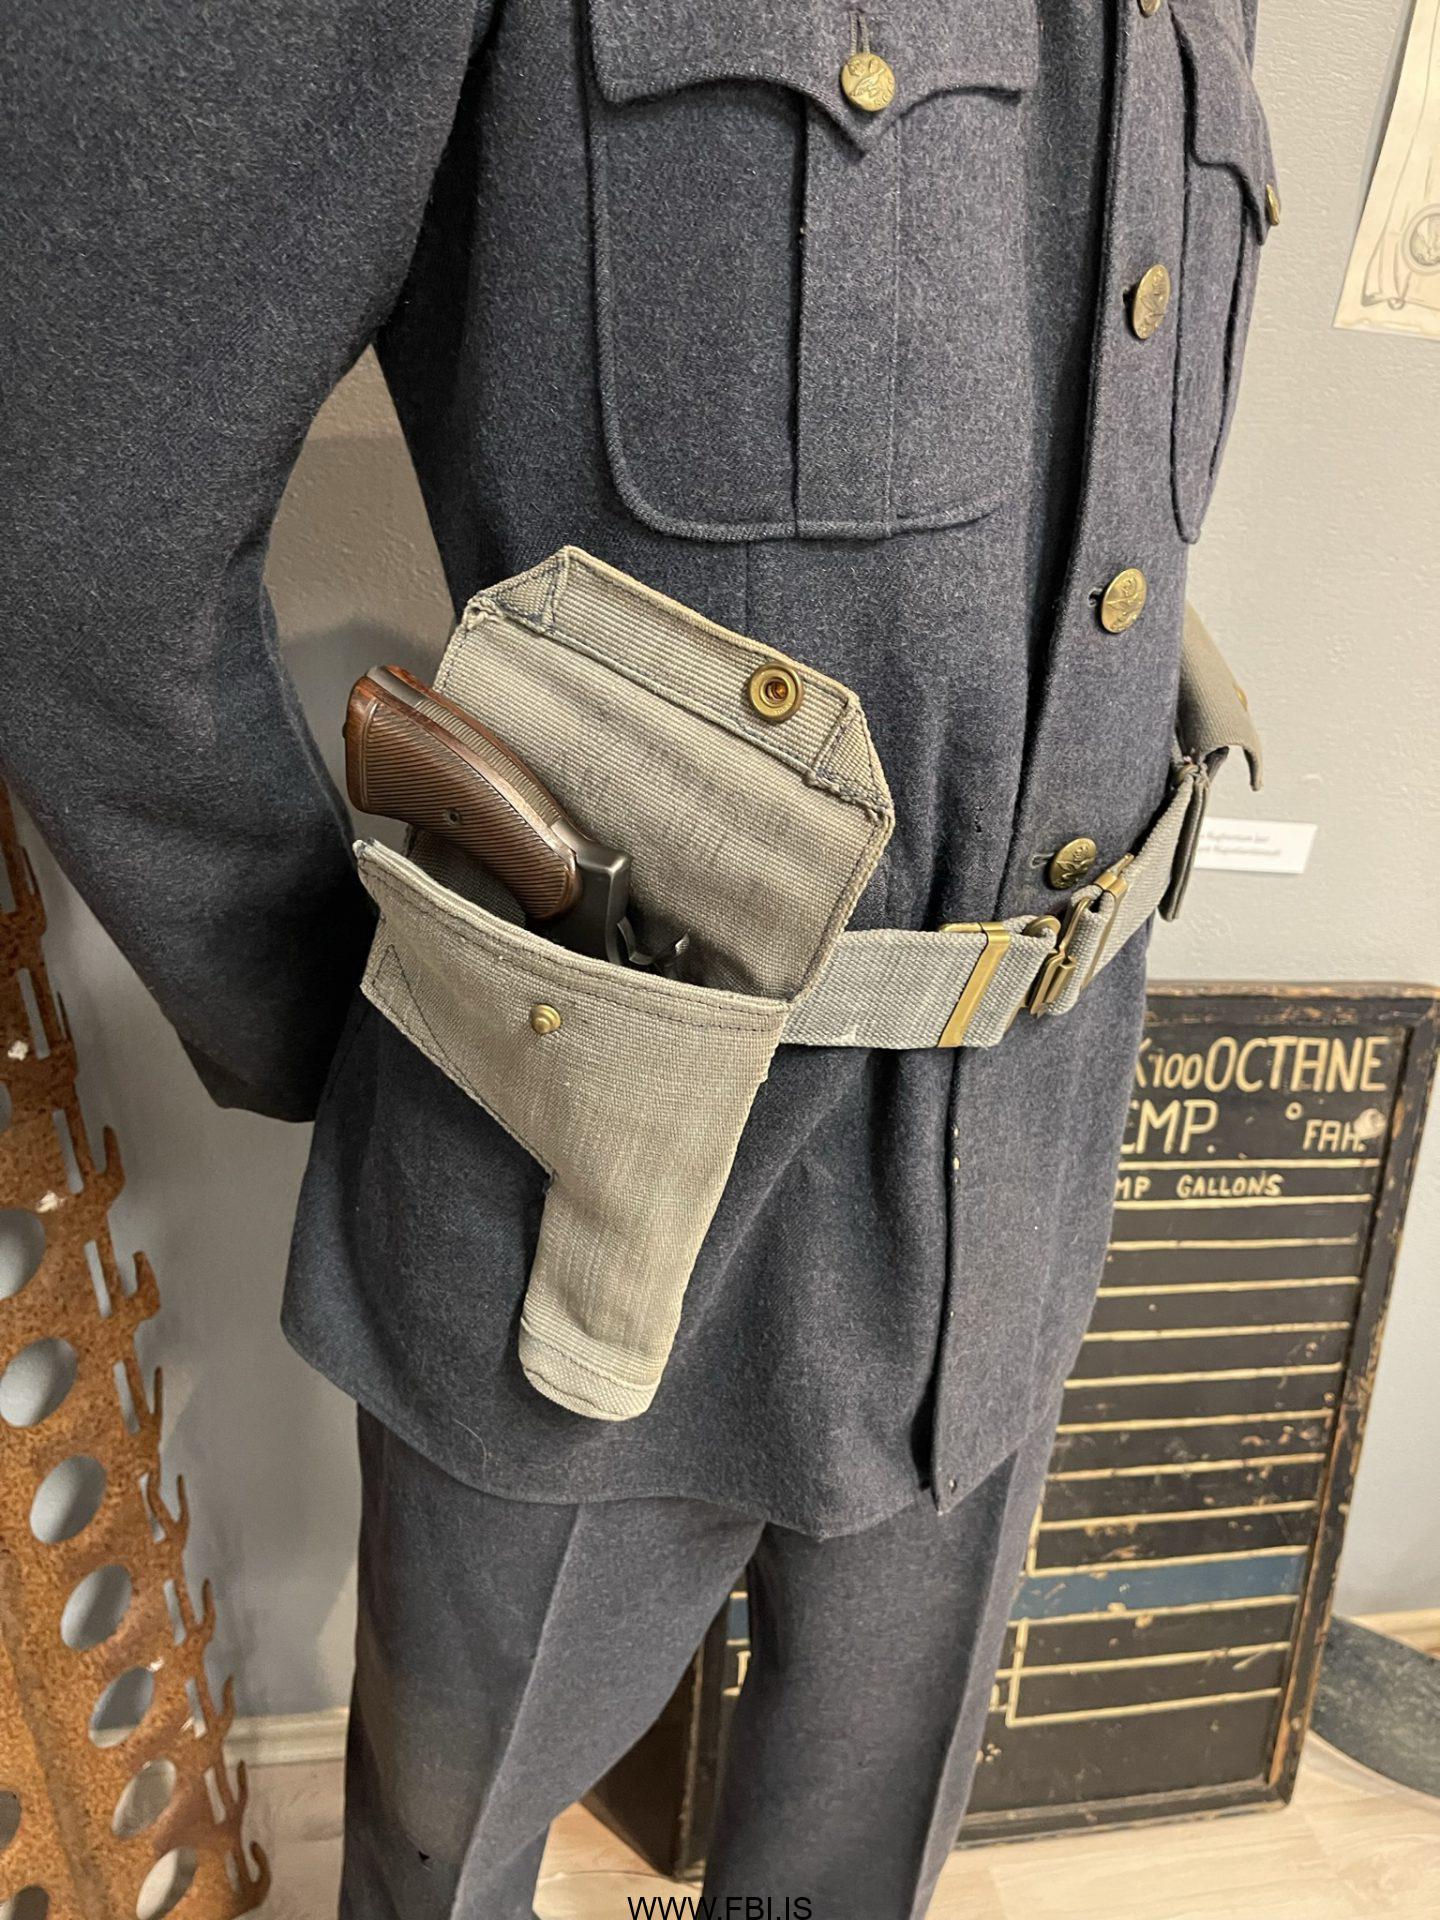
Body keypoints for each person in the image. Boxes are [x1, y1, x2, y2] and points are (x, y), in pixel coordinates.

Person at [0, 2, 1276, 1913]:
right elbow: (71, 517)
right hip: (576, 1199)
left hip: (1013, 1183)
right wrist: (367, 1012)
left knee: (845, 1876)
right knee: (450, 1866)